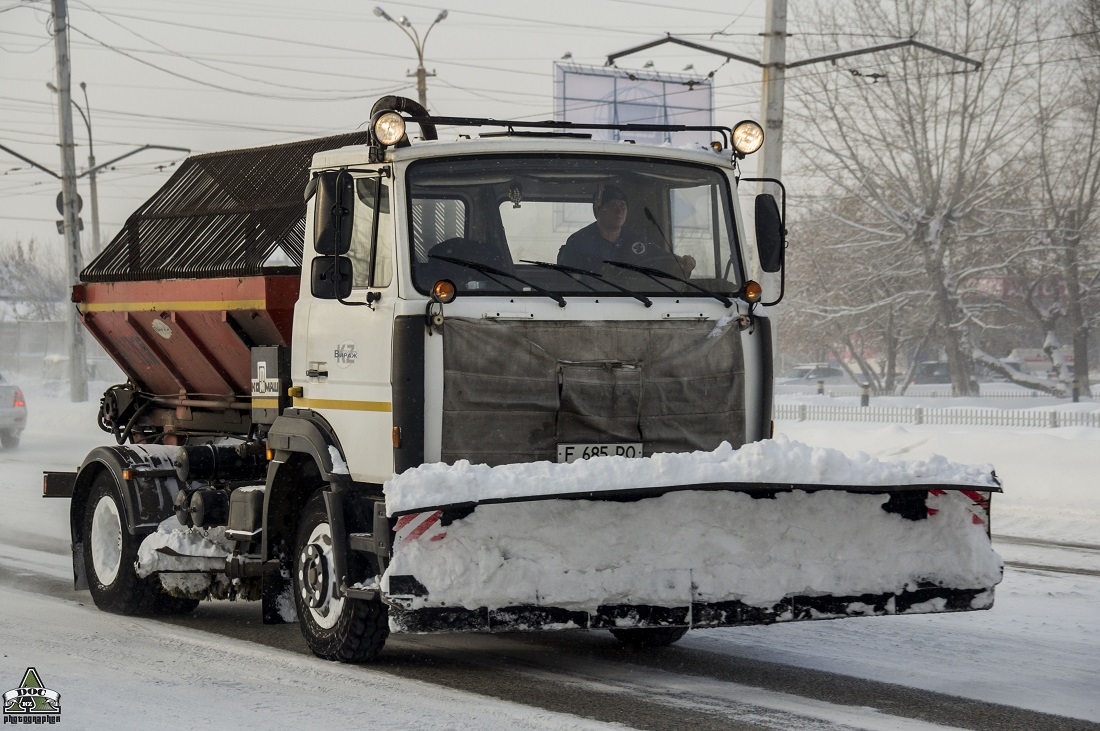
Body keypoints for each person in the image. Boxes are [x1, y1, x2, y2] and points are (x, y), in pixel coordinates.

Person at [557, 183, 695, 277]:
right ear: (597, 211)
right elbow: (568, 283)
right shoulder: (578, 242)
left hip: (637, 302)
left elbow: (663, 262)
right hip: (590, 304)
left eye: (622, 205)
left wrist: (682, 266)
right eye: (611, 205)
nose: (619, 210)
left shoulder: (638, 240)